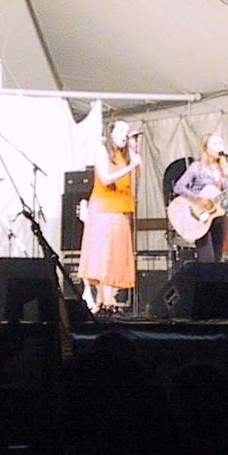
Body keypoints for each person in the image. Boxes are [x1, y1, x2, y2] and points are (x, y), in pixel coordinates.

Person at [77, 118, 142, 313]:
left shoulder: (126, 154)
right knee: (104, 255)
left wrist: (134, 151)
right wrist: (130, 167)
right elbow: (105, 178)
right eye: (120, 131)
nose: (124, 135)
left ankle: (105, 301)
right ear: (111, 133)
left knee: (116, 255)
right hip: (104, 207)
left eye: (126, 132)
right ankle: (105, 301)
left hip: (121, 208)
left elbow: (137, 173)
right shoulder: (102, 150)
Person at [172, 131, 228, 264]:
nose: (218, 148)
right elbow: (179, 187)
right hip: (199, 215)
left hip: (218, 216)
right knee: (207, 259)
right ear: (206, 149)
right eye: (214, 144)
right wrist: (199, 199)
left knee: (218, 259)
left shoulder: (225, 170)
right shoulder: (197, 167)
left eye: (220, 144)